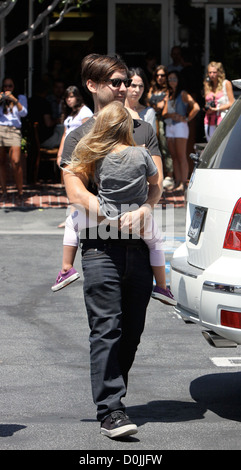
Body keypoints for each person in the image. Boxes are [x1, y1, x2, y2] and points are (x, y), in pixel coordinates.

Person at [60, 53, 163, 439]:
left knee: (132, 330)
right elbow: (74, 187)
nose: (122, 88)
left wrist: (145, 209)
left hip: (138, 244)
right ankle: (111, 410)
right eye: (115, 82)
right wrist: (108, 213)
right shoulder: (78, 135)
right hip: (100, 245)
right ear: (92, 85)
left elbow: (157, 182)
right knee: (107, 326)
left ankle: (113, 396)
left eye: (125, 82)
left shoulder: (144, 129)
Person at [52, 101, 176, 309]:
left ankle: (66, 269)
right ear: (127, 127)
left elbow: (95, 181)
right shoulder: (142, 153)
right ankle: (162, 286)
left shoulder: (98, 157)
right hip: (138, 215)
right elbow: (155, 181)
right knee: (155, 243)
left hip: (102, 213)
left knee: (72, 222)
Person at [162, 71, 200, 192]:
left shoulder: (183, 94)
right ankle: (177, 181)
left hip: (180, 126)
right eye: (170, 79)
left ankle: (183, 182)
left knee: (181, 155)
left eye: (174, 79)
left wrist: (187, 118)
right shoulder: (169, 94)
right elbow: (163, 113)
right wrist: (170, 114)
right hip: (170, 125)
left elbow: (196, 107)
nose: (172, 81)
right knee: (174, 156)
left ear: (179, 80)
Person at [0, 76, 28, 202]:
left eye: (10, 86)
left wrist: (14, 100)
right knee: (1, 162)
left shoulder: (20, 98)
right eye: (5, 86)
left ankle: (20, 191)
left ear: (14, 87)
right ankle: (4, 190)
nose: (7, 88)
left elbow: (24, 113)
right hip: (1, 128)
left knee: (16, 161)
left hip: (14, 130)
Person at [147, 65, 174, 190]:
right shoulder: (152, 89)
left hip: (163, 121)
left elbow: (163, 105)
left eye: (162, 75)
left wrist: (156, 105)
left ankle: (169, 176)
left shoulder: (168, 90)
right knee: (151, 146)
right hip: (151, 118)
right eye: (157, 75)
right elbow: (147, 102)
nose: (160, 78)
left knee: (164, 147)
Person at [57, 85, 93, 166]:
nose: (68, 100)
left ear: (77, 97)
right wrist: (60, 154)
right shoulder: (70, 113)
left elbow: (87, 134)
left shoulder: (85, 111)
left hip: (78, 151)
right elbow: (64, 135)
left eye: (71, 97)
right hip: (67, 150)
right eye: (66, 97)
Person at [203, 61, 235, 142]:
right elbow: (206, 102)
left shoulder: (226, 83)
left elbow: (232, 103)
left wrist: (217, 108)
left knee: (220, 143)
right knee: (210, 143)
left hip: (221, 117)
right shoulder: (207, 85)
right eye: (210, 72)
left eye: (214, 72)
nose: (212, 75)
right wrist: (208, 109)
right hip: (209, 119)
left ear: (219, 73)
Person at [124, 67, 156, 131]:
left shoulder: (149, 112)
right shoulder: (115, 109)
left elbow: (151, 138)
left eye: (141, 86)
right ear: (125, 85)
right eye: (133, 85)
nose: (137, 90)